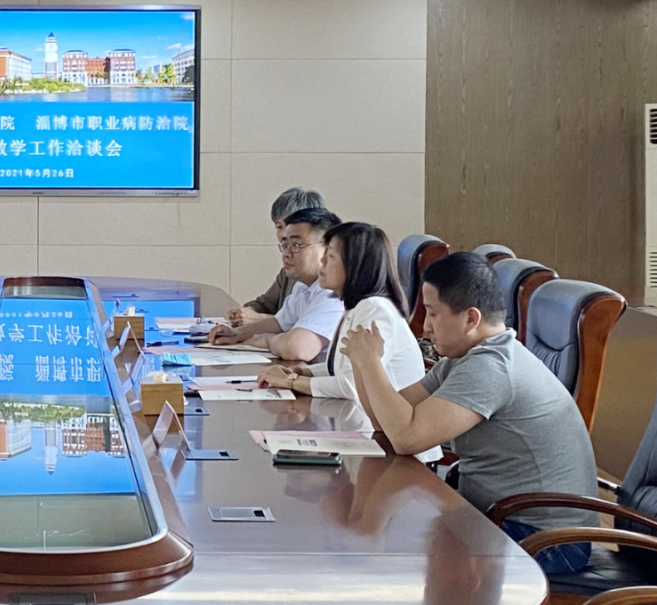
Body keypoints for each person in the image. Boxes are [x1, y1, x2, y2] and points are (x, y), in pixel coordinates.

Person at [345, 252, 598, 575]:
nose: (425, 326)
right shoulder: (463, 358)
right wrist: (360, 362)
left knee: (399, 553)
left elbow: (407, 438)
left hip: (548, 540)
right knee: (398, 537)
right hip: (499, 518)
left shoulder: (491, 366)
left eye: (433, 313)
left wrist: (370, 363)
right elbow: (387, 423)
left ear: (471, 319)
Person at [255, 222, 425, 406]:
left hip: (386, 420)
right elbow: (343, 367)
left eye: (330, 255)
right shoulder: (356, 307)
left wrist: (291, 381)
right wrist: (305, 372)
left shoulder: (375, 311)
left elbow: (351, 386)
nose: (322, 261)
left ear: (354, 265)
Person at [208, 207, 344, 362]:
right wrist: (237, 334)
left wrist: (267, 340)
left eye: (296, 245)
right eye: (285, 245)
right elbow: (279, 323)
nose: (286, 254)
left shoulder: (333, 292)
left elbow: (298, 348)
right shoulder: (303, 286)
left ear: (327, 249)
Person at [228, 187, 326, 326]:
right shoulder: (291, 272)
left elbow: (299, 329)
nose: (284, 235)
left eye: (292, 228)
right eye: (279, 227)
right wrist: (245, 312)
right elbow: (267, 304)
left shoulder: (329, 285)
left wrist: (257, 319)